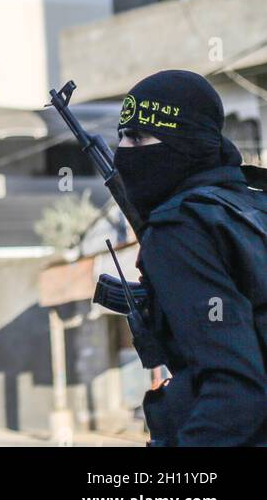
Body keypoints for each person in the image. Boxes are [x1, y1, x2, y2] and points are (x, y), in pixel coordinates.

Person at [112, 69, 267, 446]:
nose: (123, 152)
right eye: (121, 136)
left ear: (182, 143)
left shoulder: (180, 228)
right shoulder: (252, 204)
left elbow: (236, 390)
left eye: (137, 137)